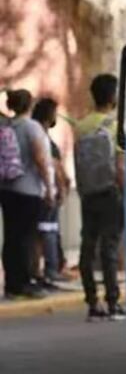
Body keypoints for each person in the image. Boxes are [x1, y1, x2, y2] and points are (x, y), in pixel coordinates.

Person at [74, 74, 126, 322]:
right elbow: (120, 166)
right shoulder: (115, 126)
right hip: (110, 192)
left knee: (88, 246)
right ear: (113, 96)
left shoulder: (81, 125)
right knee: (110, 248)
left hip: (88, 193)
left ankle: (92, 303)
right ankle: (113, 303)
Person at [0, 89, 56, 300]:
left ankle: (12, 284)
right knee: (27, 237)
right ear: (29, 105)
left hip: (7, 188)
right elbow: (40, 158)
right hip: (29, 189)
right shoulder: (31, 127)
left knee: (11, 237)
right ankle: (25, 282)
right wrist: (49, 187)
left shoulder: (6, 126)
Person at [31, 98, 70, 289]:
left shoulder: (37, 133)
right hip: (46, 190)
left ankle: (40, 271)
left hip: (39, 190)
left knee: (42, 232)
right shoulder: (41, 135)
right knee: (48, 231)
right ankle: (50, 270)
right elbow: (52, 165)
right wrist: (60, 187)